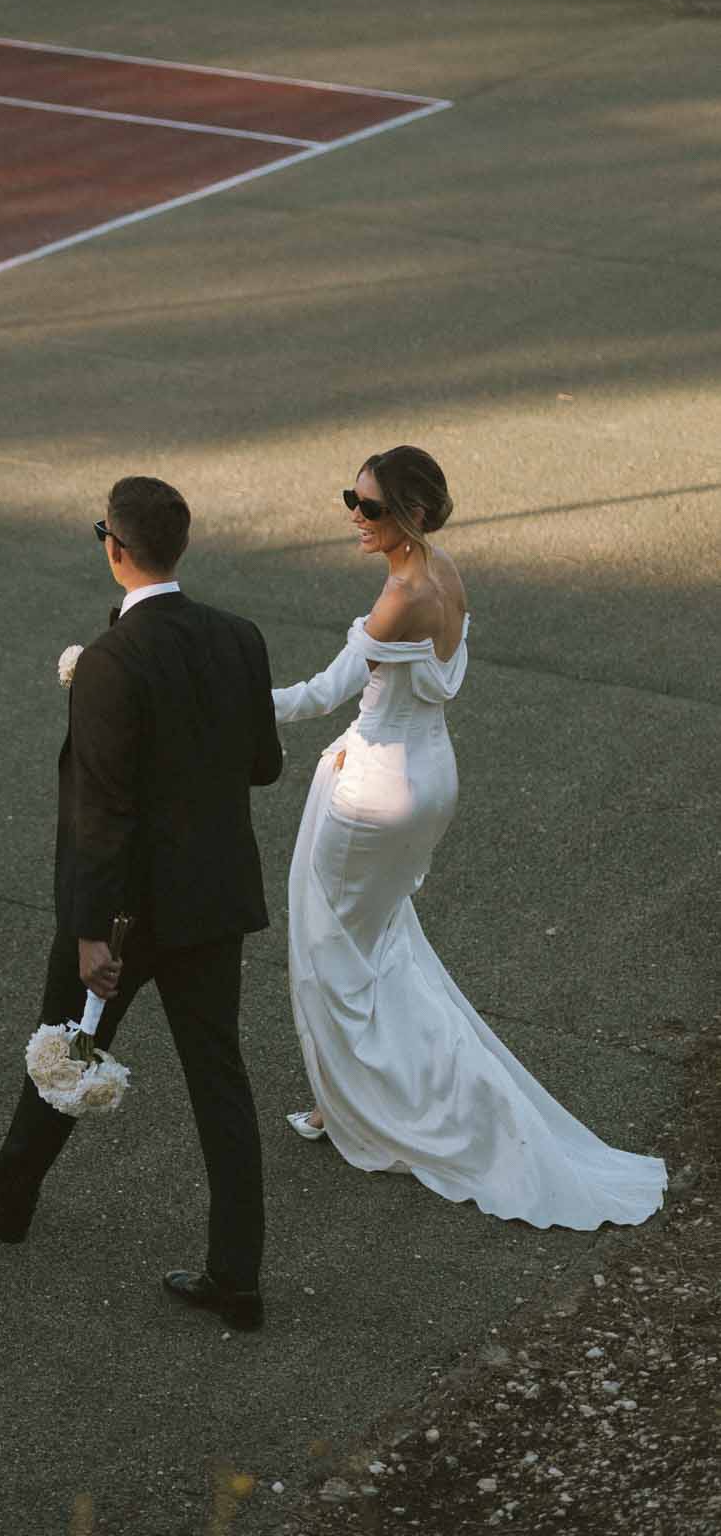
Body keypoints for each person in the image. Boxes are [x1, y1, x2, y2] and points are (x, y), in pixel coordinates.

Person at [273, 445, 666, 1230]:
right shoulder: (444, 572)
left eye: (371, 507)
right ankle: (339, 1097)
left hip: (374, 792)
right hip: (427, 778)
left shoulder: (400, 599)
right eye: (349, 499)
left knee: (329, 955)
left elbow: (318, 695)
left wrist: (206, 692)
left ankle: (368, 1107)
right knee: (374, 944)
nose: (356, 516)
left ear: (411, 515)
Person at [0, 475, 285, 1328]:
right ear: (181, 545)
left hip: (123, 915)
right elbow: (263, 765)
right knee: (220, 1085)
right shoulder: (239, 637)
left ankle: (7, 1198)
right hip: (214, 900)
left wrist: (91, 931)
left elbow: (98, 812)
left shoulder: (109, 662)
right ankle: (235, 1278)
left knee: (67, 1044)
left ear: (112, 547)